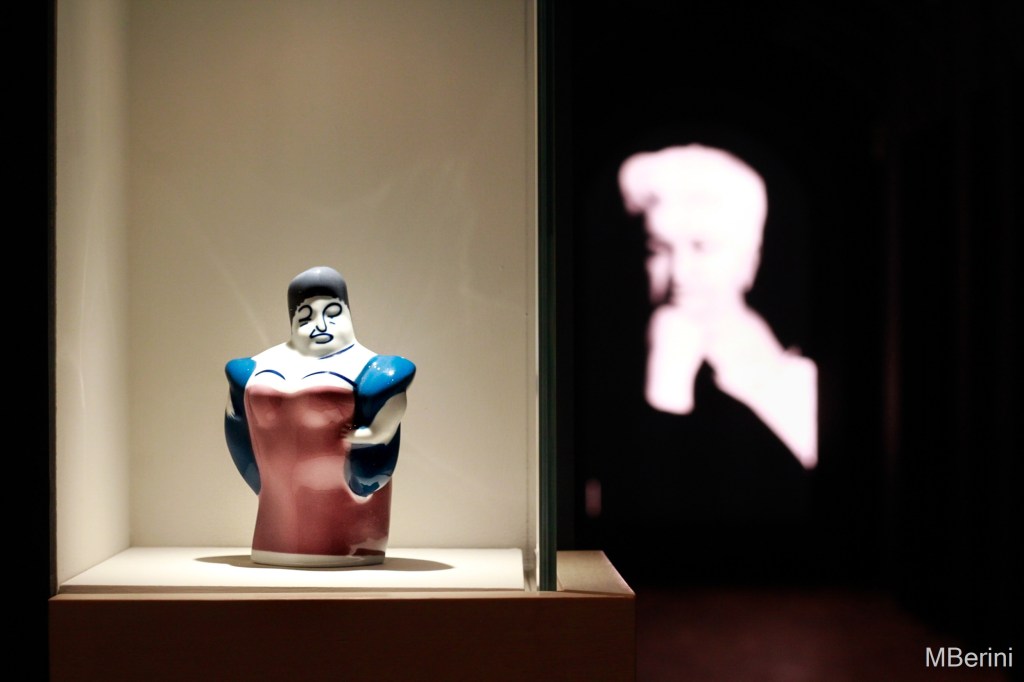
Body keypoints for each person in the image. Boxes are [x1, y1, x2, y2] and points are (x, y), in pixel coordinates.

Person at [619, 144, 817, 468]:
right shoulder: (625, 370)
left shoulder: (796, 383)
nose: (679, 272)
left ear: (748, 258)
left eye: (702, 247)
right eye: (658, 250)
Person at [224, 266, 415, 566]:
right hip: (277, 500)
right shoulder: (257, 366)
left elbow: (392, 407)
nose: (320, 325)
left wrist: (375, 434)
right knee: (278, 527)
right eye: (306, 317)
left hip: (346, 500)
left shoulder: (370, 366)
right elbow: (236, 420)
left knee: (343, 532)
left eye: (333, 313)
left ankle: (348, 546)